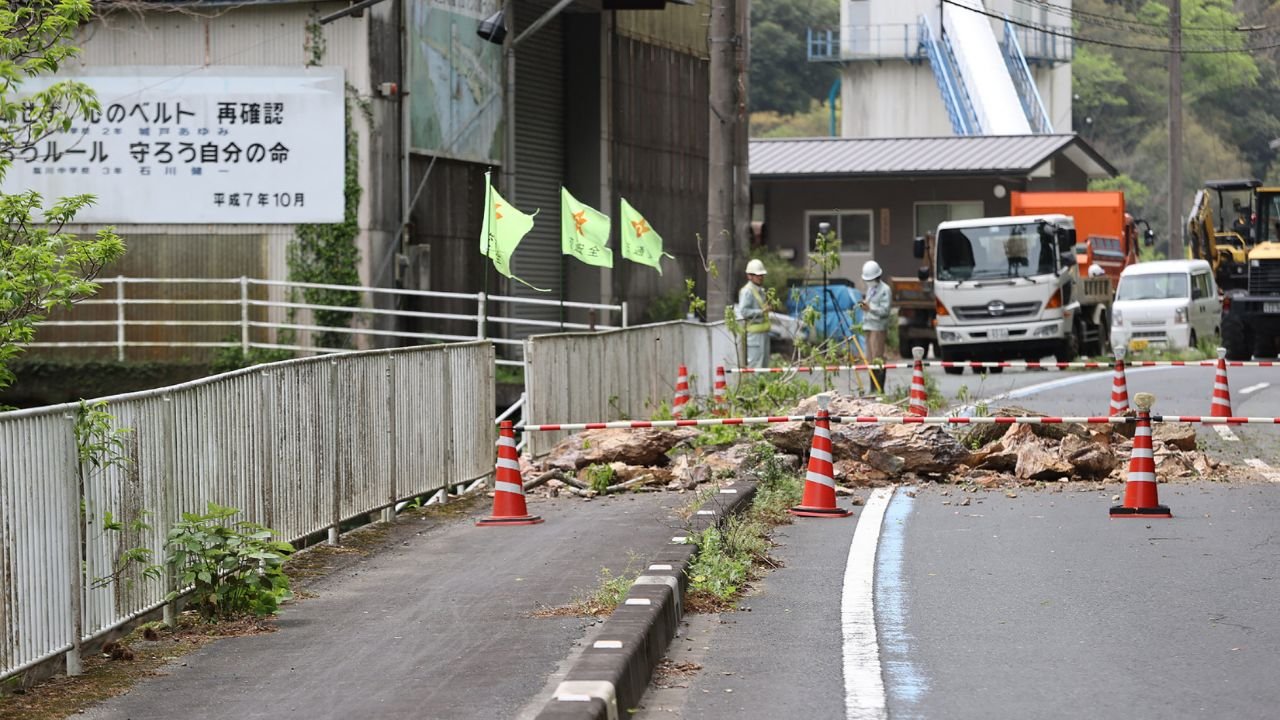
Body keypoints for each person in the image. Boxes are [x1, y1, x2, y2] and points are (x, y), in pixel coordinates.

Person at [738, 258, 772, 368]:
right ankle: (753, 385)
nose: (761, 277)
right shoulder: (747, 291)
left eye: (762, 275)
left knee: (764, 365)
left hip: (764, 333)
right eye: (758, 275)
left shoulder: (760, 290)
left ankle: (762, 386)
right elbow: (744, 311)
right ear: (749, 276)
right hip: (754, 336)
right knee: (755, 365)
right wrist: (762, 311)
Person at [858, 260, 891, 365]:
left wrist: (870, 309)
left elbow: (885, 311)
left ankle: (878, 381)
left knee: (877, 358)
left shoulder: (885, 290)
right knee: (869, 359)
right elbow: (869, 303)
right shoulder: (870, 288)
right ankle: (872, 381)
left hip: (878, 328)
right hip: (868, 325)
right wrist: (864, 305)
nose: (869, 282)